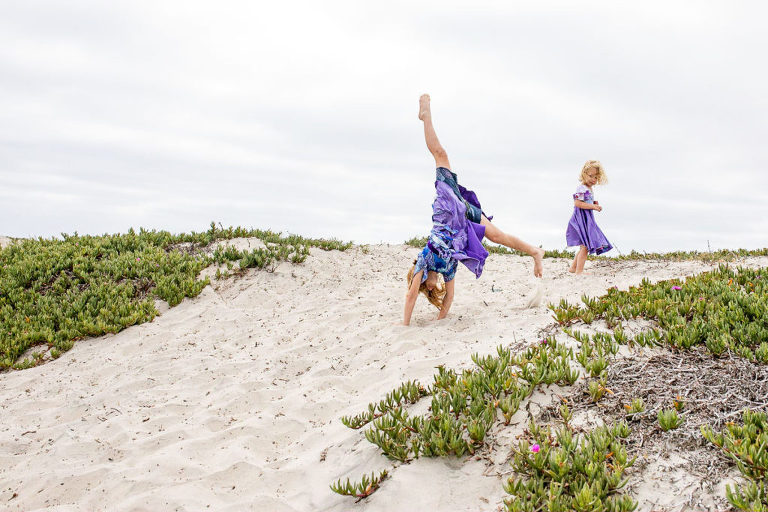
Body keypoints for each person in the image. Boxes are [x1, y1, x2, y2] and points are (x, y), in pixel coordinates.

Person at [402, 95, 545, 326]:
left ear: (420, 278)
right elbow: (449, 298)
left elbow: (409, 296)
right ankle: (535, 252)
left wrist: (405, 324)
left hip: (448, 208)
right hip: (464, 217)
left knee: (441, 154)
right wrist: (440, 320)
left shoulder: (425, 259)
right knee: (497, 236)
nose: (430, 287)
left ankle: (426, 116)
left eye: (424, 285)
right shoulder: (447, 268)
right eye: (428, 289)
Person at [566, 160, 613, 274]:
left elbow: (585, 201)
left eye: (596, 177)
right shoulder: (582, 188)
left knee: (584, 246)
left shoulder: (589, 189)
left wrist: (593, 203)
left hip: (587, 219)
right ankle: (579, 272)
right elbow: (577, 203)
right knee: (585, 246)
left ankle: (573, 268)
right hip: (581, 219)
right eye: (591, 176)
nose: (593, 179)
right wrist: (592, 206)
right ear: (584, 174)